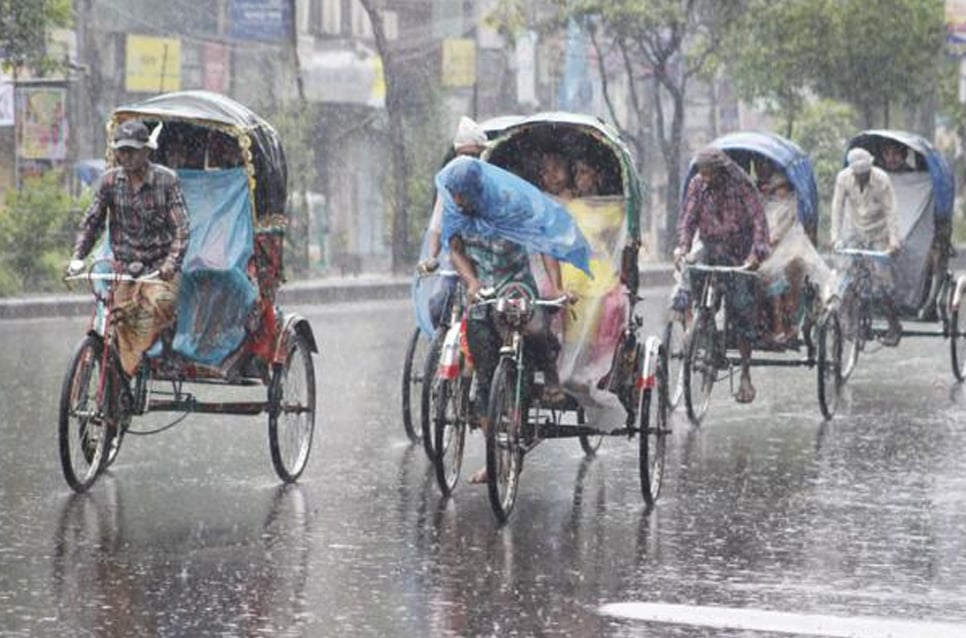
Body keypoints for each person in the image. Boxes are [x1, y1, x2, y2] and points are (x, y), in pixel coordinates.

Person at [437, 156, 590, 483]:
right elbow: (455, 250)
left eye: (464, 195)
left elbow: (544, 246)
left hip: (514, 282)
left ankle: (549, 374)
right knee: (484, 377)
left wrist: (555, 288)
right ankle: (496, 459)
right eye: (456, 196)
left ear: (477, 190)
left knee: (534, 327)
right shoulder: (455, 209)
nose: (459, 202)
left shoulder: (510, 205)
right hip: (483, 291)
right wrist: (472, 282)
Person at [67, 119, 190, 377]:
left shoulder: (167, 181)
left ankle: (158, 354)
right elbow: (92, 223)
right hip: (124, 268)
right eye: (122, 150)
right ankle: (118, 383)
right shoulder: (110, 182)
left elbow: (181, 230)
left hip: (158, 269)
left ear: (147, 151)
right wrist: (78, 257)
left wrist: (170, 264)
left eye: (133, 150)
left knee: (160, 304)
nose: (127, 156)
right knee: (118, 317)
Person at [674, 147, 770, 404]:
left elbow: (759, 221)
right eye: (701, 171)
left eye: (708, 172)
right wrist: (683, 246)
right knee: (692, 276)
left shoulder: (741, 185)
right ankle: (700, 327)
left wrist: (754, 255)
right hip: (710, 245)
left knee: (741, 308)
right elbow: (688, 219)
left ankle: (745, 375)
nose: (704, 176)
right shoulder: (697, 185)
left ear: (720, 170)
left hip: (739, 250)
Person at [830, 146, 902, 345]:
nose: (862, 176)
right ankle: (852, 325)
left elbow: (891, 210)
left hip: (879, 232)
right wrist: (835, 237)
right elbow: (837, 208)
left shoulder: (881, 179)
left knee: (883, 280)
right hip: (855, 230)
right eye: (858, 173)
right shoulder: (843, 178)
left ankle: (894, 326)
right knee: (849, 276)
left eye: (865, 172)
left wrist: (894, 240)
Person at [417, 116, 488, 275]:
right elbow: (437, 224)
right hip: (459, 254)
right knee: (440, 295)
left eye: (474, 155)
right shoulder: (450, 183)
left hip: (491, 258)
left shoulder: (491, 182)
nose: (468, 161)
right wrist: (432, 257)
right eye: (464, 155)